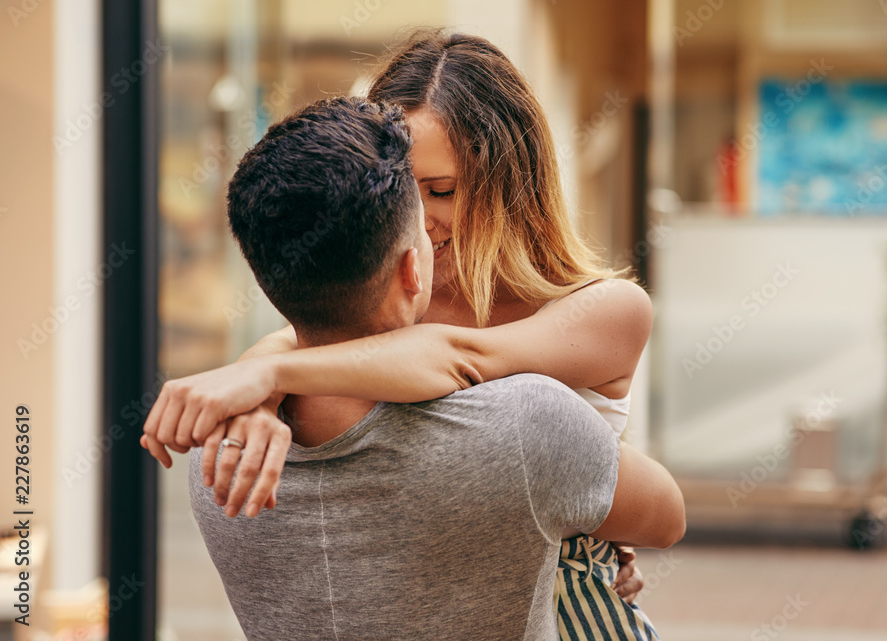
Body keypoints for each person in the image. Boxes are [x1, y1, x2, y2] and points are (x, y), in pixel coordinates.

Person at [143, 31, 672, 639]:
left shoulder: (606, 309)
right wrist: (261, 394)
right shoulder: (395, 302)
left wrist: (265, 378)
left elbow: (463, 358)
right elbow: (298, 341)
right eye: (402, 192)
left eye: (441, 190)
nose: (416, 219)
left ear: (511, 179)